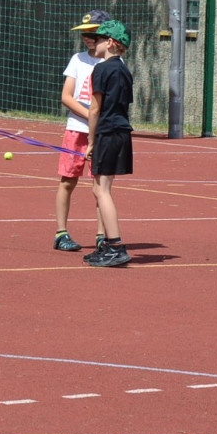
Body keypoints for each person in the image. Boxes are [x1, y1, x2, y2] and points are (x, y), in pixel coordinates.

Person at [54, 9, 111, 251]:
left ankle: (101, 235)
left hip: (100, 134)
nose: (87, 38)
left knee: (100, 185)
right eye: (84, 34)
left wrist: (98, 124)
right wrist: (90, 116)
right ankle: (61, 233)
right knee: (67, 181)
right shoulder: (77, 60)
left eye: (93, 33)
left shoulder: (112, 63)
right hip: (76, 130)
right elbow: (67, 96)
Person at [84, 20, 134, 267]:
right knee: (100, 188)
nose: (96, 42)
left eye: (101, 38)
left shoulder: (101, 69)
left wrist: (90, 141)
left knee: (101, 189)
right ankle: (107, 244)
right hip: (121, 131)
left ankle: (115, 245)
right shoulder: (124, 70)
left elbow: (95, 109)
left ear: (112, 43)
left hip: (107, 132)